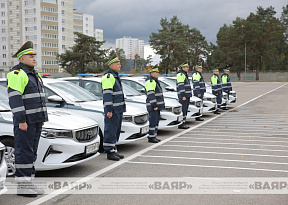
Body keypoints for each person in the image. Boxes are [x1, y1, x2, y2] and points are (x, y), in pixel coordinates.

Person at [6, 41, 48, 197]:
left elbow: (39, 99)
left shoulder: (33, 74)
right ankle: (23, 187)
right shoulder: (17, 74)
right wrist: (21, 120)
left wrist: (42, 117)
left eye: (34, 56)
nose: (34, 59)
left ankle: (29, 183)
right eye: (31, 56)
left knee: (31, 154)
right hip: (25, 123)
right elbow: (15, 101)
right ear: (22, 58)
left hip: (36, 120)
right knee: (24, 154)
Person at [101, 56, 126, 161]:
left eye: (120, 64)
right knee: (110, 130)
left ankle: (114, 149)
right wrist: (109, 109)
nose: (119, 65)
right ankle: (109, 152)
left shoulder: (115, 76)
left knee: (116, 130)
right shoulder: (108, 76)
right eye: (117, 64)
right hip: (113, 110)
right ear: (111, 65)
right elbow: (107, 95)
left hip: (118, 109)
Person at [145, 66, 165, 143]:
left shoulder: (155, 81)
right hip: (153, 106)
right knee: (153, 121)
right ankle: (151, 136)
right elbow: (151, 94)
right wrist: (154, 105)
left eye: (157, 72)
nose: (157, 74)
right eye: (156, 72)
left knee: (156, 121)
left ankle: (154, 135)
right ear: (152, 73)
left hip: (157, 106)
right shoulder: (151, 81)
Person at [176, 63, 192, 129]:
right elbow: (181, 86)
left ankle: (183, 122)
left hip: (187, 95)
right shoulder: (181, 74)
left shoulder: (185, 74)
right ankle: (181, 123)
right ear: (183, 68)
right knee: (183, 109)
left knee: (185, 109)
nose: (188, 68)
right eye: (186, 67)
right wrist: (183, 95)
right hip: (184, 95)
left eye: (188, 67)